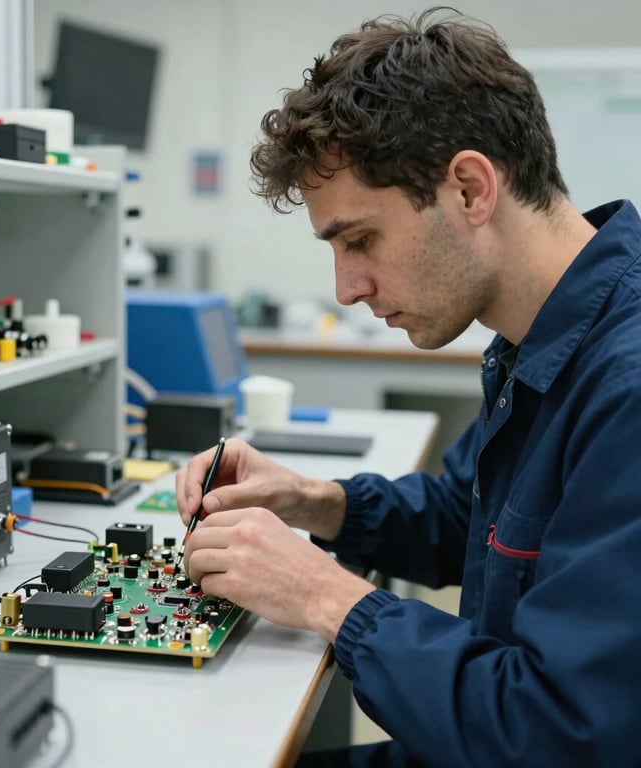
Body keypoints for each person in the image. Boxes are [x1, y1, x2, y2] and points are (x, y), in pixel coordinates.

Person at [175, 7, 641, 767]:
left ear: (469, 189)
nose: (347, 287)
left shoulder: (627, 386)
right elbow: (474, 521)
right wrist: (316, 501)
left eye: (360, 240)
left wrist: (327, 597)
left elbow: (564, 733)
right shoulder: (543, 335)